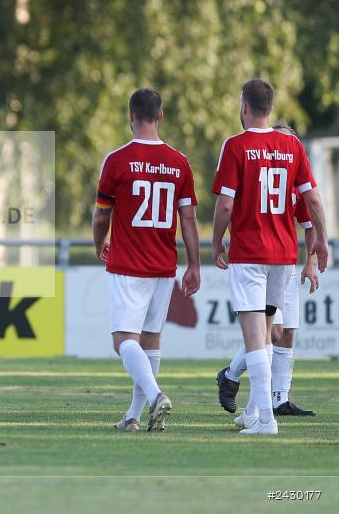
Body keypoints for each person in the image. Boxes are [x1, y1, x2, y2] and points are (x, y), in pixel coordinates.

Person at [212, 79, 328, 435]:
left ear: (245, 106)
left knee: (256, 337)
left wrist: (216, 242)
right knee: (267, 334)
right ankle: (255, 414)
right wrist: (322, 241)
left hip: (249, 254)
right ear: (271, 108)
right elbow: (312, 199)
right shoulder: (292, 146)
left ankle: (266, 419)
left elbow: (226, 204)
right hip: (282, 257)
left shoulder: (235, 145)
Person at [93, 88, 200, 432]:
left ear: (131, 115)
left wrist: (99, 243)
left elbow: (101, 216)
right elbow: (188, 219)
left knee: (124, 341)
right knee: (150, 341)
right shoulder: (179, 162)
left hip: (128, 264)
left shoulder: (117, 160)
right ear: (160, 116)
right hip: (163, 266)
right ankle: (134, 417)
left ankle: (155, 396)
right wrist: (194, 264)